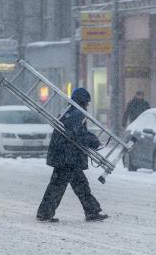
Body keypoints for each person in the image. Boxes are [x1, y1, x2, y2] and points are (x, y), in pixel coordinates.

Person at [36, 88, 108, 222]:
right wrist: (94, 141)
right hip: (68, 158)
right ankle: (45, 213)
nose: (87, 105)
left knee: (76, 185)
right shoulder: (77, 114)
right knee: (61, 186)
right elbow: (78, 134)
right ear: (82, 102)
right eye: (86, 103)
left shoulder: (69, 112)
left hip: (65, 156)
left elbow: (75, 132)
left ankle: (91, 211)